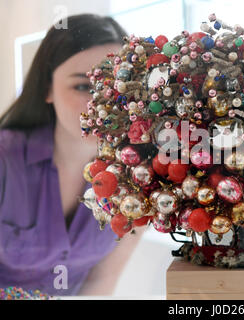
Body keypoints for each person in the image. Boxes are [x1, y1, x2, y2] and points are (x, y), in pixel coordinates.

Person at [0, 14, 146, 296]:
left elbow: (100, 283)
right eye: (83, 86)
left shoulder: (139, 178)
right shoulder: (5, 159)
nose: (103, 103)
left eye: (117, 86)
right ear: (47, 88)